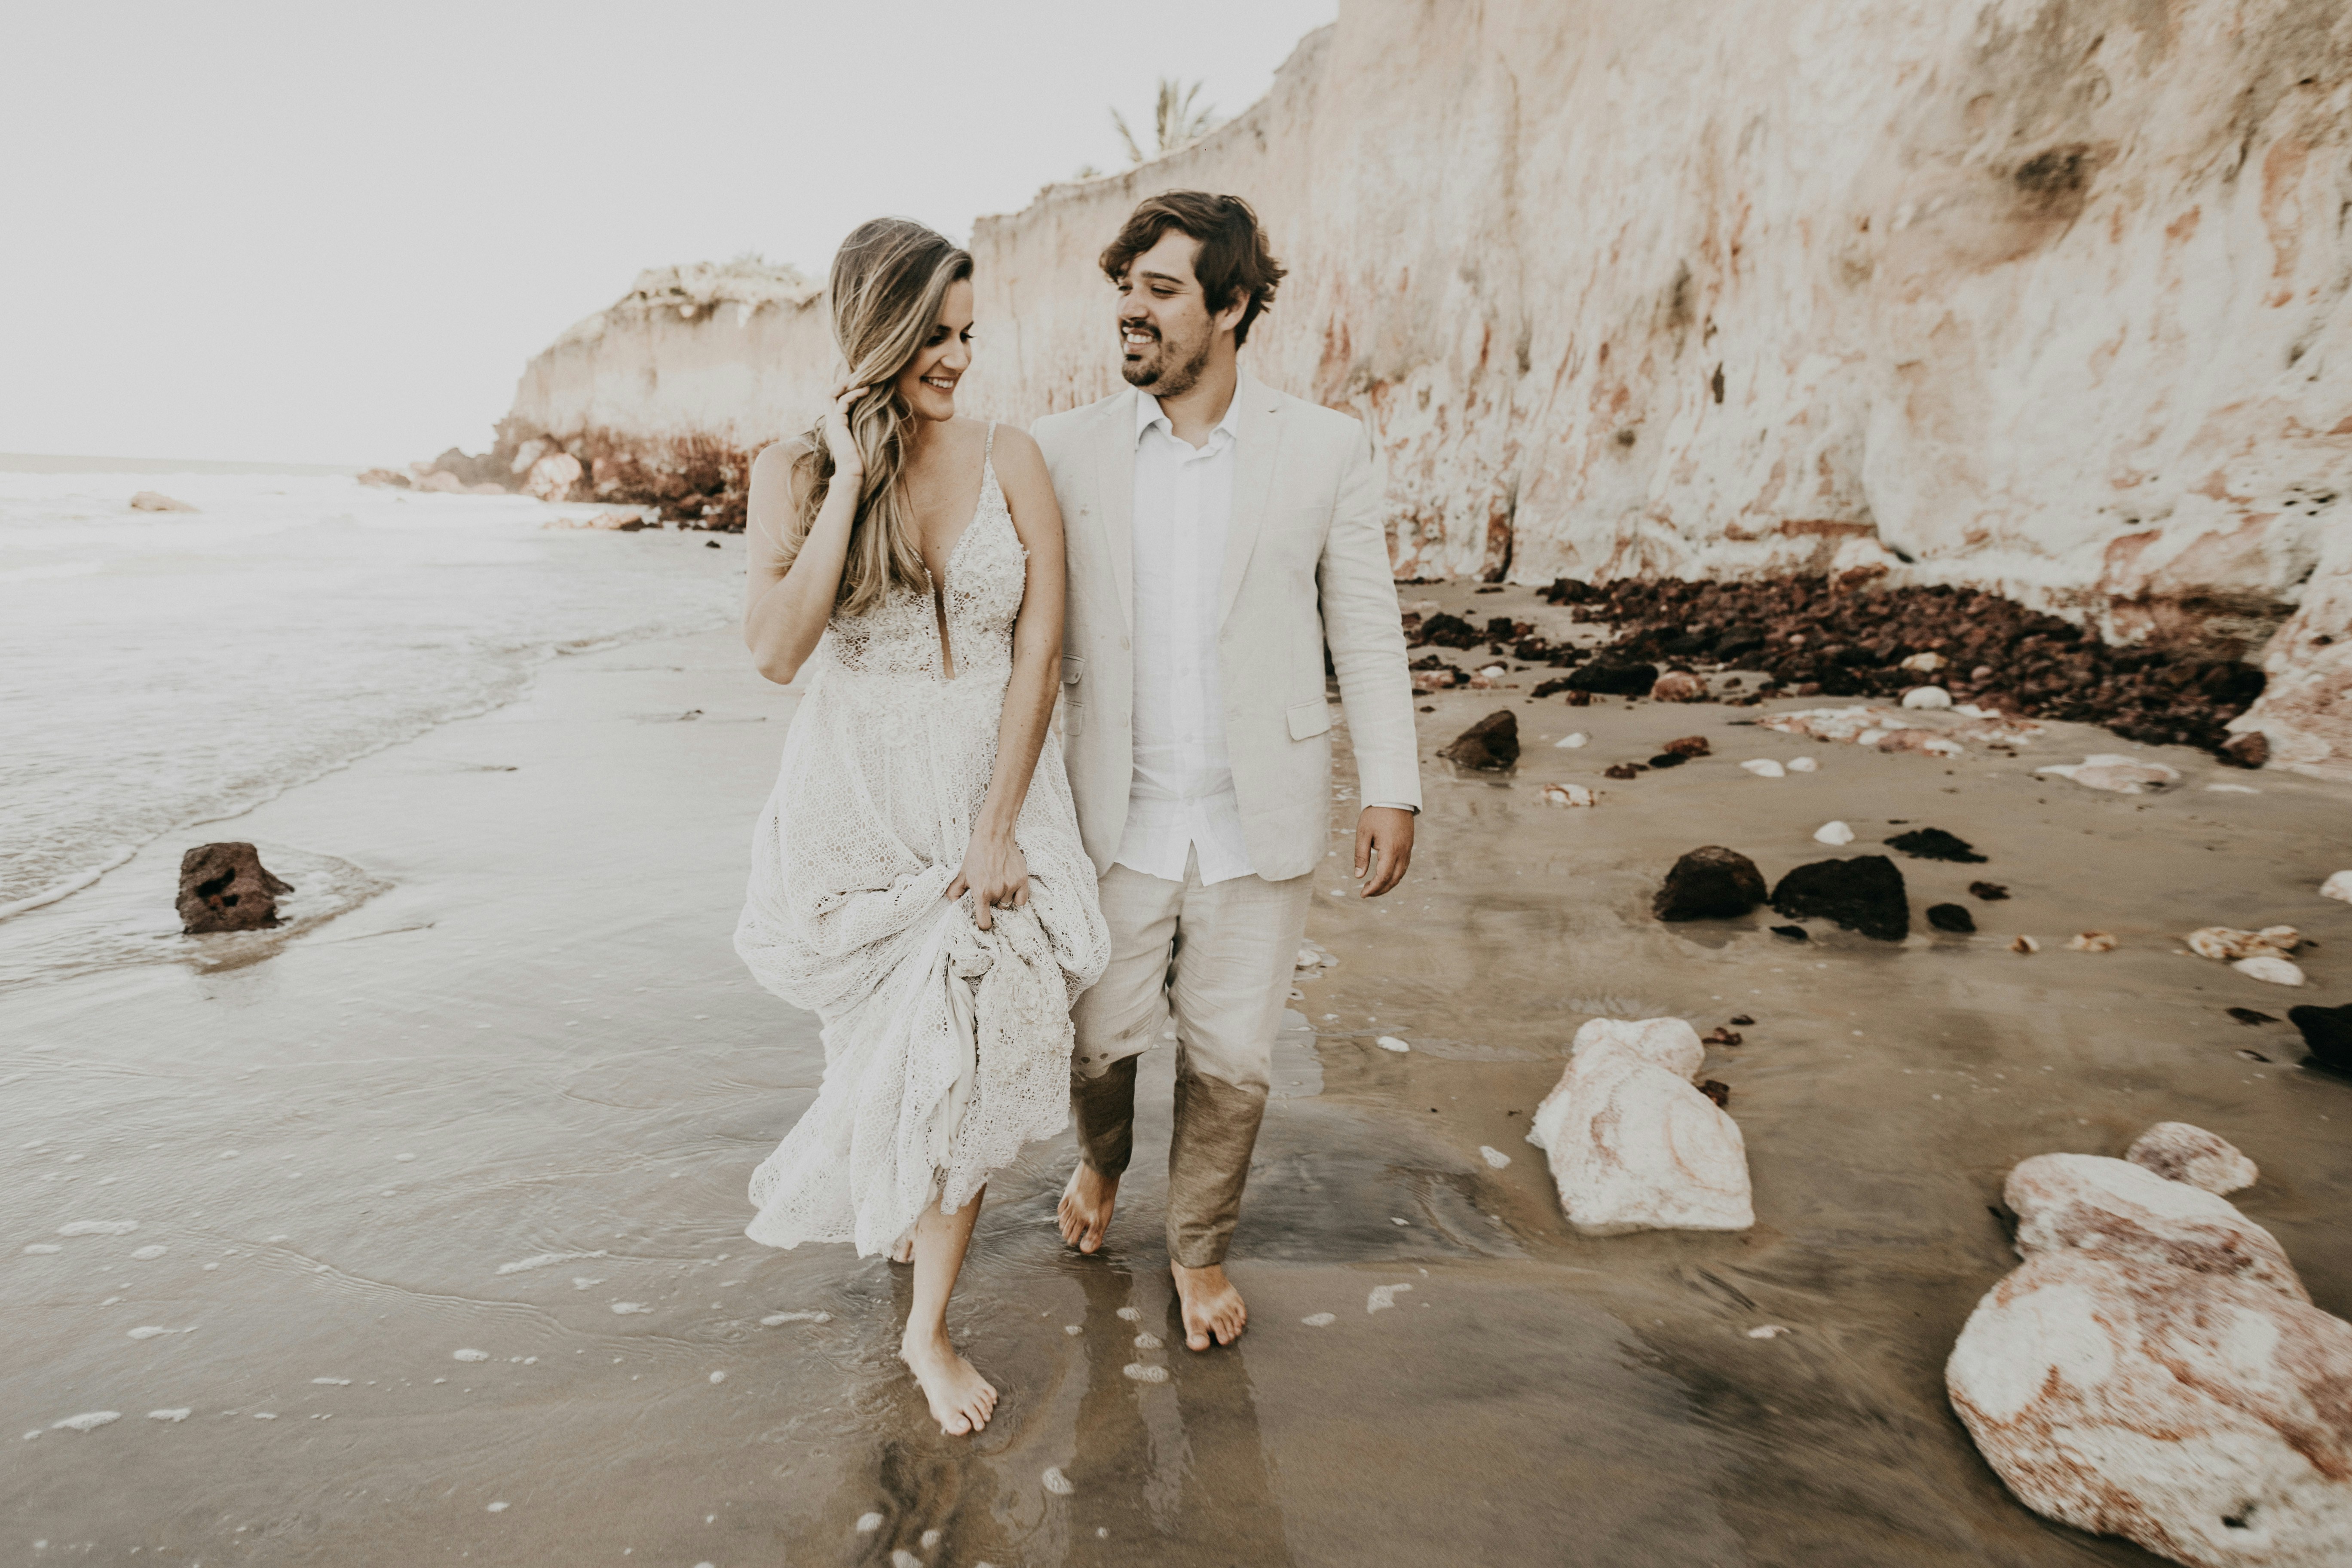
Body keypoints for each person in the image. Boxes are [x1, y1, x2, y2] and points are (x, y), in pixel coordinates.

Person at [734, 217, 1109, 1436]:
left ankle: (928, 1330)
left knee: (976, 1041)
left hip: (988, 791)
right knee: (883, 1052)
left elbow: (1040, 650)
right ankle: (908, 1222)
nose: (958, 358)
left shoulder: (1013, 455)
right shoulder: (791, 469)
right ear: (880, 331)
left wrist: (998, 825)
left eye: (966, 333)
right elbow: (779, 653)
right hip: (856, 801)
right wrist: (851, 475)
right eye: (935, 336)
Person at [1032, 192, 1421, 1352]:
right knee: (1098, 1044)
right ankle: (1102, 1167)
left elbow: (1366, 626)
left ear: (1234, 306)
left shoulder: (1326, 447)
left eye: (1160, 291)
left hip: (1262, 813)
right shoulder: (1061, 451)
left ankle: (1198, 1249)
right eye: (1124, 289)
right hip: (1110, 814)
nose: (1131, 313)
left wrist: (1391, 784)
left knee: (1234, 1060)